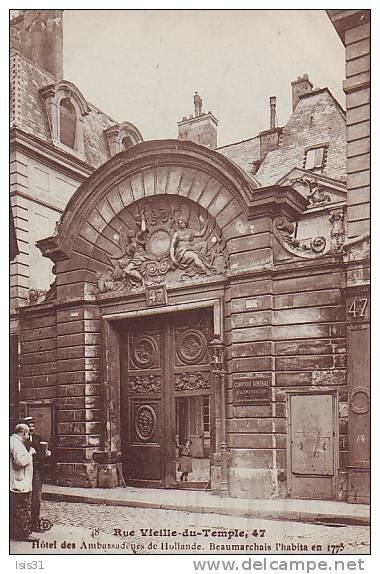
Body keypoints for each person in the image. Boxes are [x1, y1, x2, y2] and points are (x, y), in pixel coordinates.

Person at [20, 416, 51, 533]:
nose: (32, 428)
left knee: (36, 499)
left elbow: (45, 451)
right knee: (25, 498)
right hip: (25, 471)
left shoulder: (38, 438)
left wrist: (48, 453)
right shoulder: (21, 439)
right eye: (29, 425)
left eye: (33, 425)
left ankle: (35, 524)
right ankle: (24, 525)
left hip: (37, 471)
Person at [10, 424, 36, 541]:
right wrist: (30, 453)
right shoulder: (16, 443)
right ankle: (23, 534)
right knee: (22, 507)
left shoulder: (13, 441)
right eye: (28, 433)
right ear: (24, 432)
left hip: (17, 481)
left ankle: (15, 532)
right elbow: (20, 462)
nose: (29, 435)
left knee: (16, 507)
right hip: (19, 482)